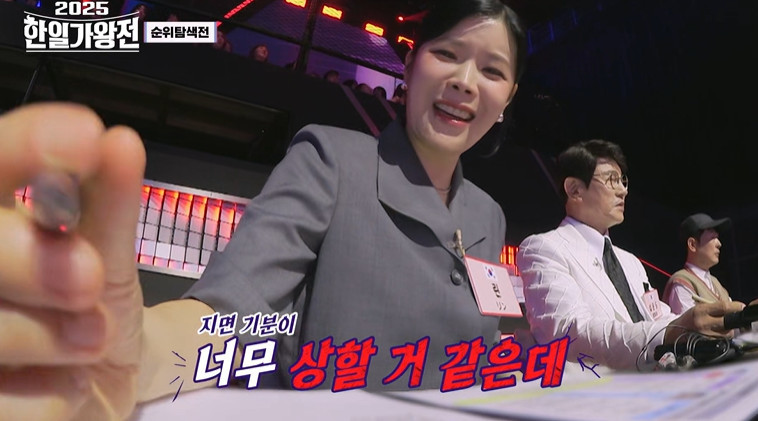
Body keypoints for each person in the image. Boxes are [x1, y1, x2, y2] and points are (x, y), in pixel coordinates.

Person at [0, 0, 528, 418]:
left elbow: (482, 348)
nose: (465, 80)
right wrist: (140, 353)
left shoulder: (489, 215)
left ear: (507, 100)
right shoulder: (332, 160)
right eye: (447, 54)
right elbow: (234, 309)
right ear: (409, 66)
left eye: (492, 70)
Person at [517, 140, 746, 371]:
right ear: (574, 189)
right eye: (611, 180)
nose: (623, 190)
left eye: (623, 180)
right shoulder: (543, 248)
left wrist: (732, 320)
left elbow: (658, 316)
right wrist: (669, 332)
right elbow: (569, 333)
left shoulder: (630, 262)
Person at [662, 213, 733, 314]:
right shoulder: (681, 282)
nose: (719, 244)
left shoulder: (716, 283)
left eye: (717, 238)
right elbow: (688, 322)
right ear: (692, 244)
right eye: (712, 238)